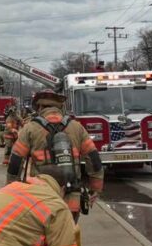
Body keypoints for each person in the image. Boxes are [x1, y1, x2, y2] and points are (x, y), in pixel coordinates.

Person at [7, 90, 104, 221]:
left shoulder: (30, 128)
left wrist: (11, 189)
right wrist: (95, 188)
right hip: (71, 200)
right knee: (67, 237)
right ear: (60, 107)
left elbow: (15, 162)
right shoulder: (77, 127)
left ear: (40, 107)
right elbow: (93, 159)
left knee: (42, 238)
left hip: (40, 198)